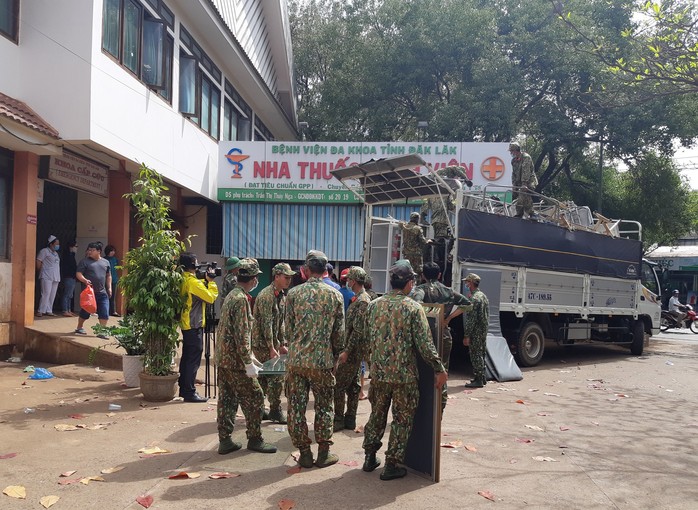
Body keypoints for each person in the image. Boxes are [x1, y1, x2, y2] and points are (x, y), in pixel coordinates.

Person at [362, 259, 447, 481]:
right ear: (409, 283)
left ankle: (369, 457)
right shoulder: (412, 308)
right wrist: (439, 368)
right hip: (404, 377)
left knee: (377, 415)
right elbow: (425, 344)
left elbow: (366, 338)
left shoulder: (373, 305)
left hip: (379, 374)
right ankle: (391, 464)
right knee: (401, 420)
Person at [285, 250, 346, 469]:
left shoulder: (293, 294)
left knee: (296, 407)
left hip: (297, 360)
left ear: (307, 270)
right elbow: (339, 334)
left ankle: (304, 453)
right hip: (322, 361)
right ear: (325, 271)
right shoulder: (335, 295)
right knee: (323, 406)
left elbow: (289, 330)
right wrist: (336, 355)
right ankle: (323, 453)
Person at [215, 258, 277, 455]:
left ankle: (225, 440)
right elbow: (242, 335)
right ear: (252, 279)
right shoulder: (241, 299)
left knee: (226, 399)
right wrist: (248, 362)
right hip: (236, 362)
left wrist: (251, 358)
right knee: (256, 396)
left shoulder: (232, 295)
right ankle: (255, 438)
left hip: (224, 359)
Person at [411, 262, 471, 412]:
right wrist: (448, 318)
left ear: (423, 275)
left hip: (424, 335)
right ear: (439, 275)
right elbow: (468, 304)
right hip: (444, 334)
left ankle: (421, 410)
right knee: (442, 370)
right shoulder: (448, 291)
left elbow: (416, 304)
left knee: (421, 371)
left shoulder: (420, 290)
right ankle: (439, 408)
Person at [252, 262, 296, 424]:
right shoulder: (266, 296)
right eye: (286, 277)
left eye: (290, 278)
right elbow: (266, 323)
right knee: (274, 378)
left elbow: (280, 322)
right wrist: (271, 347)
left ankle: (261, 410)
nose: (288, 280)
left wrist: (282, 343)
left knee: (266, 379)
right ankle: (274, 410)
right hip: (262, 344)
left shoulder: (281, 295)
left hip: (273, 344)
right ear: (276, 277)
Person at [178, 252, 218, 403]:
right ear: (193, 265)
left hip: (186, 323)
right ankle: (189, 392)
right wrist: (211, 282)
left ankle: (184, 388)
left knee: (187, 357)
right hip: (194, 324)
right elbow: (210, 298)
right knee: (193, 359)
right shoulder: (193, 283)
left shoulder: (184, 279)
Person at [334, 266, 370, 432]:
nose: (347, 282)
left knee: (339, 385)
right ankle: (350, 419)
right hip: (355, 349)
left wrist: (346, 351)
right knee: (354, 386)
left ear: (354, 281)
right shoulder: (359, 298)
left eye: (349, 279)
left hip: (353, 350)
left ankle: (340, 419)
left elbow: (358, 330)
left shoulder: (362, 301)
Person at [74, 242, 111, 336]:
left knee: (104, 311)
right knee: (85, 312)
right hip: (89, 293)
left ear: (99, 251)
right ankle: (79, 327)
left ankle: (102, 331)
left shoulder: (106, 262)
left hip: (102, 292)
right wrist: (85, 280)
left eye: (92, 250)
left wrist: (109, 288)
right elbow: (78, 274)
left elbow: (108, 275)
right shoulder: (84, 261)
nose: (89, 252)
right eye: (89, 250)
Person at [462, 273, 489, 388]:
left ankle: (478, 379)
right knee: (481, 353)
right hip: (483, 329)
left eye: (467, 282)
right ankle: (482, 378)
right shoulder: (482, 296)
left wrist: (467, 335)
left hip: (475, 331)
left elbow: (471, 319)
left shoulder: (474, 298)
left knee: (476, 354)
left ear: (472, 283)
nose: (466, 284)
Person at [509, 142, 539, 219]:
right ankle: (520, 213)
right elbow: (514, 174)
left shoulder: (526, 157)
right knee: (516, 195)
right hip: (519, 182)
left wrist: (524, 183)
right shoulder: (514, 161)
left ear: (516, 150)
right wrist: (514, 185)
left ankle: (531, 213)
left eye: (512, 151)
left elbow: (526, 171)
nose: (511, 153)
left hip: (529, 181)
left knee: (523, 194)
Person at [36, 235, 61, 317]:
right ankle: (41, 310)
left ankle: (49, 310)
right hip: (46, 275)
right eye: (56, 244)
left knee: (52, 294)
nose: (58, 245)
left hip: (55, 276)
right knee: (46, 293)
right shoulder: (44, 251)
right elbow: (38, 261)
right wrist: (40, 271)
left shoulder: (56, 253)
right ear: (51, 244)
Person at [400, 212, 430, 279]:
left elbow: (400, 224)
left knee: (408, 270)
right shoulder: (418, 229)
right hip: (416, 254)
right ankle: (416, 286)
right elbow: (423, 241)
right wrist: (428, 241)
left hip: (406, 253)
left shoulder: (404, 227)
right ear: (417, 219)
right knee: (417, 271)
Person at [59, 240, 78, 317]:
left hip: (72, 277)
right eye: (76, 246)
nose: (77, 248)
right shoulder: (66, 255)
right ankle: (65, 310)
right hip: (68, 276)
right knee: (67, 294)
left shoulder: (72, 255)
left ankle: (69, 309)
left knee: (70, 294)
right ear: (71, 247)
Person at [104, 245, 120, 317]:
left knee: (113, 296)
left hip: (114, 279)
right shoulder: (104, 259)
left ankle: (113, 311)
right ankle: (104, 310)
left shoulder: (115, 259)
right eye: (111, 251)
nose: (113, 252)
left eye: (114, 251)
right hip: (105, 280)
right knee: (105, 296)